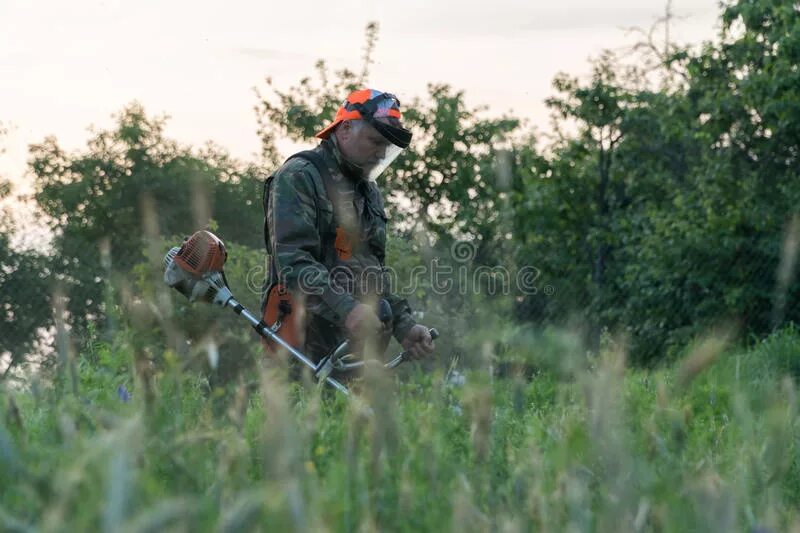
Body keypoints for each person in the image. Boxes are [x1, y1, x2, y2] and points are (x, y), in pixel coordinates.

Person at [261, 88, 435, 374]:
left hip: (355, 355)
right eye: (375, 141)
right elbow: (293, 263)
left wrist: (404, 327)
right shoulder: (300, 176)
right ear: (344, 130)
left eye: (386, 147)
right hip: (299, 351)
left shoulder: (368, 191)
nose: (380, 154)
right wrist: (347, 307)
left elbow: (372, 270)